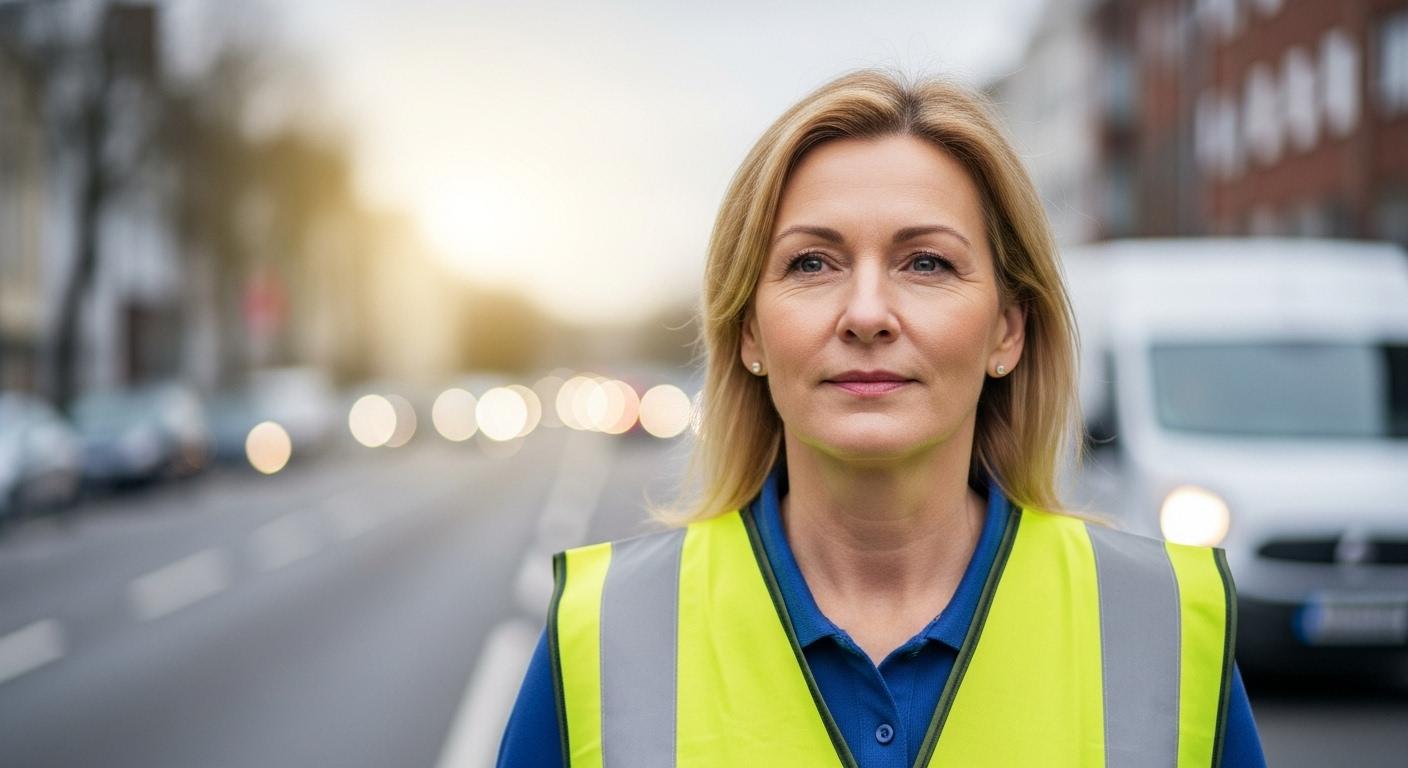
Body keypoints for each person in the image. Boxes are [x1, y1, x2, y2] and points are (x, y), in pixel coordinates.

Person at [498, 68, 1267, 767]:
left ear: (1009, 330)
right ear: (750, 333)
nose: (867, 313)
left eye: (926, 262)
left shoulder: (1162, 624)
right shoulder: (601, 633)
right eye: (811, 263)